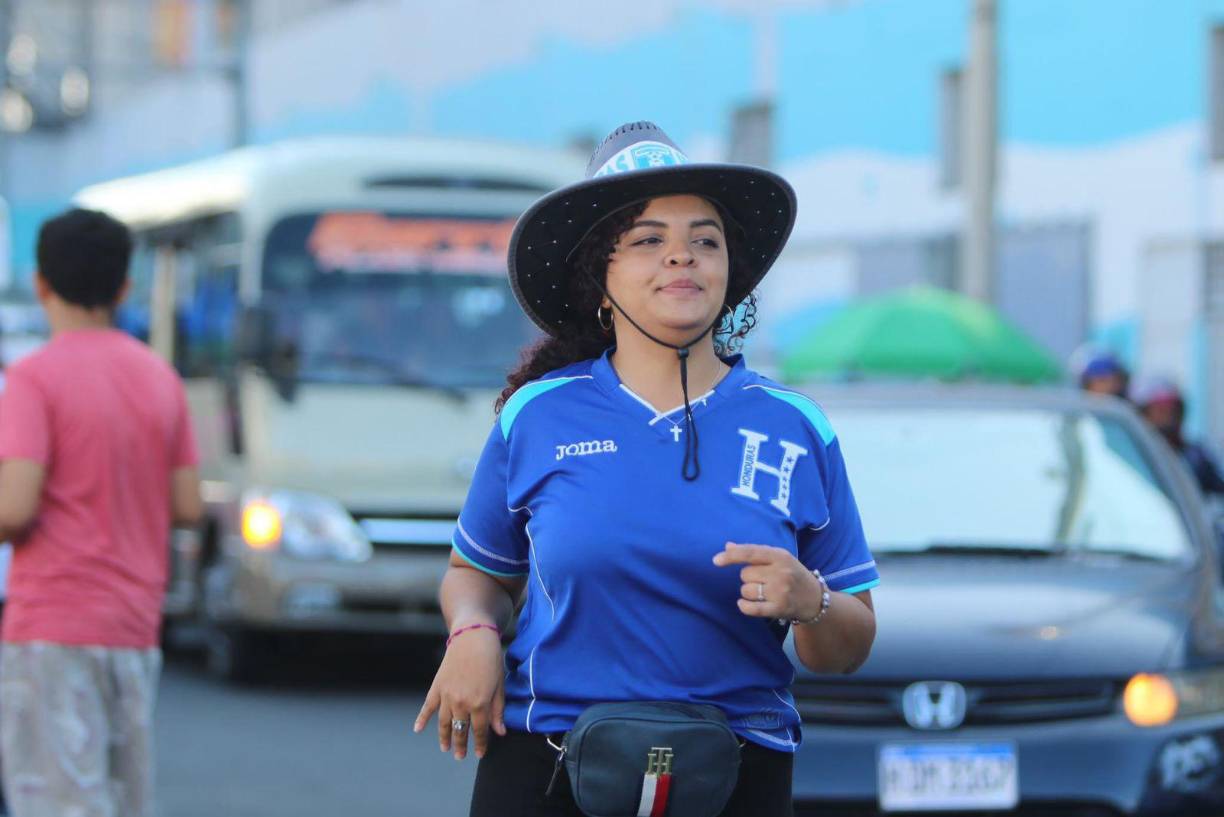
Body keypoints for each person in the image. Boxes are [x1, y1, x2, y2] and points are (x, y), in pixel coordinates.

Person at [414, 122, 880, 817]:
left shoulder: (795, 426)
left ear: (731, 273)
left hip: (738, 773)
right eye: (648, 239)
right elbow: (474, 575)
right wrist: (474, 634)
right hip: (547, 765)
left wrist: (808, 598)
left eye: (705, 239)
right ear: (601, 276)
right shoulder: (536, 416)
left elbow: (848, 642)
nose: (681, 257)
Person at [0, 208, 203, 817]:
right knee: (119, 800)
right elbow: (188, 505)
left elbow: (15, 508)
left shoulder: (33, 378)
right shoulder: (160, 378)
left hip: (52, 628)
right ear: (123, 287)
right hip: (135, 628)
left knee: (54, 802)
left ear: (40, 283)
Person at [1132, 376, 1224, 497]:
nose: (1169, 416)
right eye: (1160, 409)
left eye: (1173, 409)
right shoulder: (1133, 456)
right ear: (1144, 414)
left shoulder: (1197, 457)